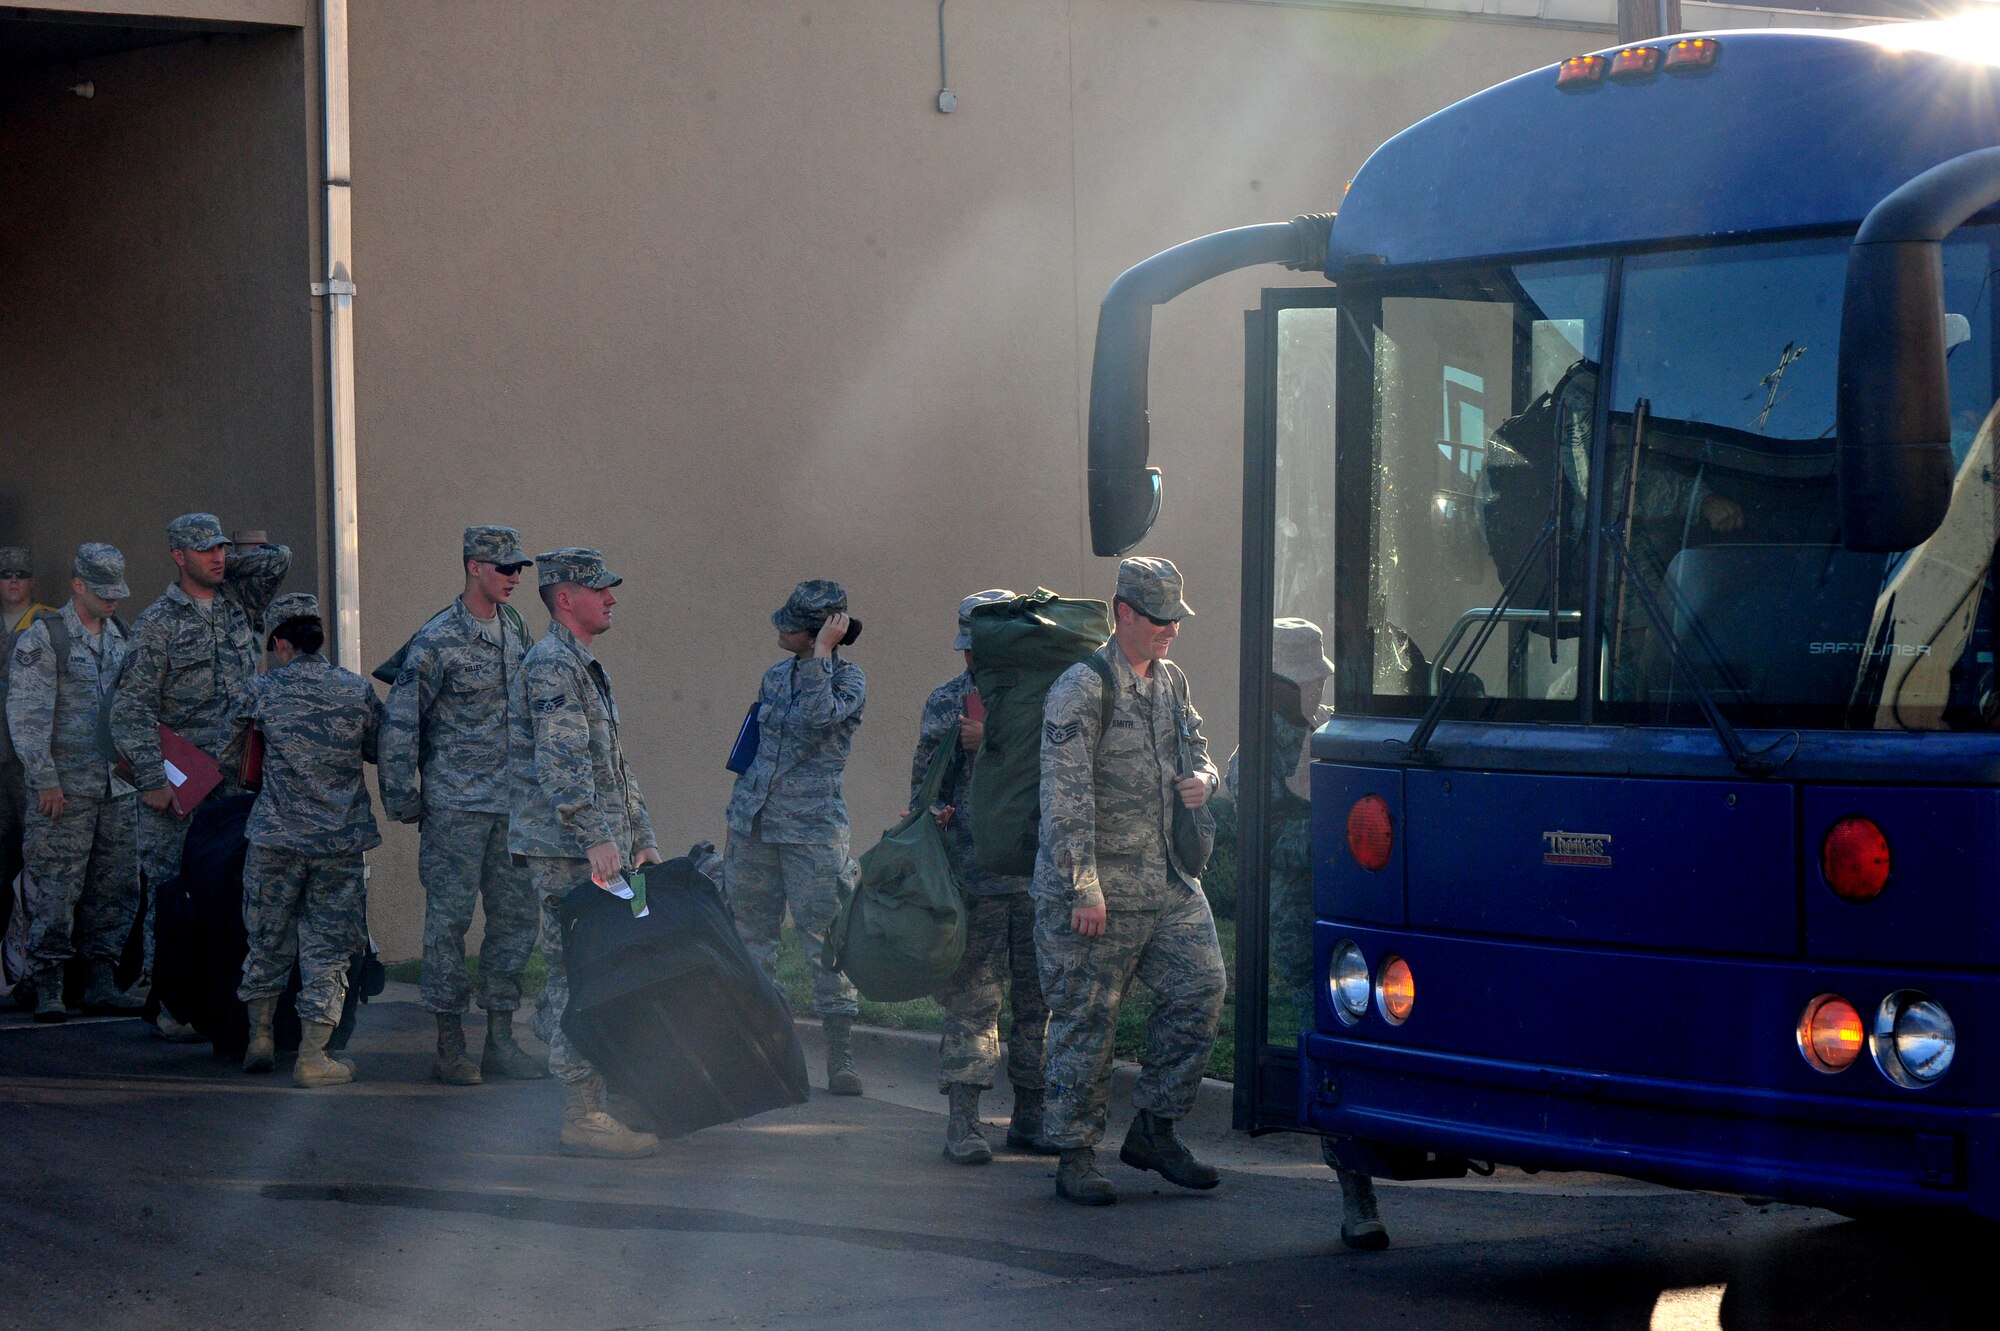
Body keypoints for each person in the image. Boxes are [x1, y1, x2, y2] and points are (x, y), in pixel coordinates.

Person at [1034, 556, 1226, 1206]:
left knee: (1202, 986)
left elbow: (1196, 744)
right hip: (1100, 888)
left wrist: (1207, 780)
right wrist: (1081, 884)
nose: (1172, 628)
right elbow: (1065, 797)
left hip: (1168, 879)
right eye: (1159, 617)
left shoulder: (1171, 681)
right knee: (1087, 1019)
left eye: (1177, 617)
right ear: (1123, 614)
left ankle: (1155, 1128)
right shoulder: (1080, 689)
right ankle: (1074, 1152)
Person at [1221, 617, 1388, 1249]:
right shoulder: (1255, 751)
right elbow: (1262, 841)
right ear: (1276, 685)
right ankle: (1356, 1196)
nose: (1316, 693)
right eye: (1304, 683)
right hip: (1299, 933)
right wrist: (1330, 834)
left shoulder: (1326, 737)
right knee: (1324, 1049)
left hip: (1350, 921)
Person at [111, 514, 290, 1037]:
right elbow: (132, 710)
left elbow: (280, 559)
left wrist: (230, 561)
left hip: (235, 782)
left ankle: (217, 1000)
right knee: (173, 890)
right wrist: (152, 779)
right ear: (177, 556)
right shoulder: (157, 623)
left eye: (220, 548)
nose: (215, 557)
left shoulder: (241, 604)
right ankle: (168, 1003)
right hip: (181, 783)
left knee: (231, 887)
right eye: (203, 550)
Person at [510, 547, 662, 1158]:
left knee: (606, 971)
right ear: (564, 597)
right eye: (600, 589)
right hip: (571, 854)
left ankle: (601, 1092)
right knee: (579, 977)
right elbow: (563, 763)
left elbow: (612, 766)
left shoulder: (581, 664)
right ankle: (582, 1111)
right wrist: (596, 836)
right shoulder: (551, 665)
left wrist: (641, 835)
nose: (612, 598)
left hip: (601, 848)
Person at [380, 526, 543, 1085]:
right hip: (454, 808)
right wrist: (404, 799)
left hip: (513, 807)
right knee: (448, 924)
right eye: (505, 568)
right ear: (474, 566)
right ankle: (450, 1044)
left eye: (519, 568)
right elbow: (400, 723)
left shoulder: (516, 630)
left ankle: (501, 1038)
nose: (515, 578)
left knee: (516, 921)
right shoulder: (437, 640)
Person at [916, 588, 1052, 1164]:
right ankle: (964, 1120)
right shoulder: (947, 702)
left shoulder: (1046, 700)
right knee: (974, 1001)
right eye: (970, 649)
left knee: (1039, 1002)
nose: (973, 659)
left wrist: (993, 739)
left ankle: (1032, 1114)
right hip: (976, 877)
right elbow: (926, 788)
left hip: (1038, 875)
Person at [230, 593, 382, 1087]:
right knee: (329, 949)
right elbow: (380, 750)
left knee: (266, 939)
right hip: (337, 844)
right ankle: (314, 1057)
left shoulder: (261, 690)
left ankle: (261, 1038)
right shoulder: (354, 691)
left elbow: (226, 750)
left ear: (280, 643)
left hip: (274, 838)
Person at [723, 579, 866, 1097]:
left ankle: (840, 1056)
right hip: (755, 824)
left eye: (791, 624)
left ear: (821, 632)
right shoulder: (774, 676)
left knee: (824, 942)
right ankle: (754, 1049)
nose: (779, 629)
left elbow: (816, 716)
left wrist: (823, 655)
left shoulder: (848, 682)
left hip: (811, 833)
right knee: (750, 939)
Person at [4, 544, 141, 1021]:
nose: (112, 602)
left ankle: (100, 978)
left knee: (115, 887)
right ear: (78, 585)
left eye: (117, 593)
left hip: (117, 791)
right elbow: (27, 715)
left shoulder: (122, 636)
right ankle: (48, 984)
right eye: (103, 593)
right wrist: (44, 780)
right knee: (54, 889)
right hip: (63, 791)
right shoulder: (45, 638)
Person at [0, 546, 59, 919]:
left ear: (32, 581)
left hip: (34, 757)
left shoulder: (49, 623)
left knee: (36, 844)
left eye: (21, 575)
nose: (14, 581)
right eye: (6, 575)